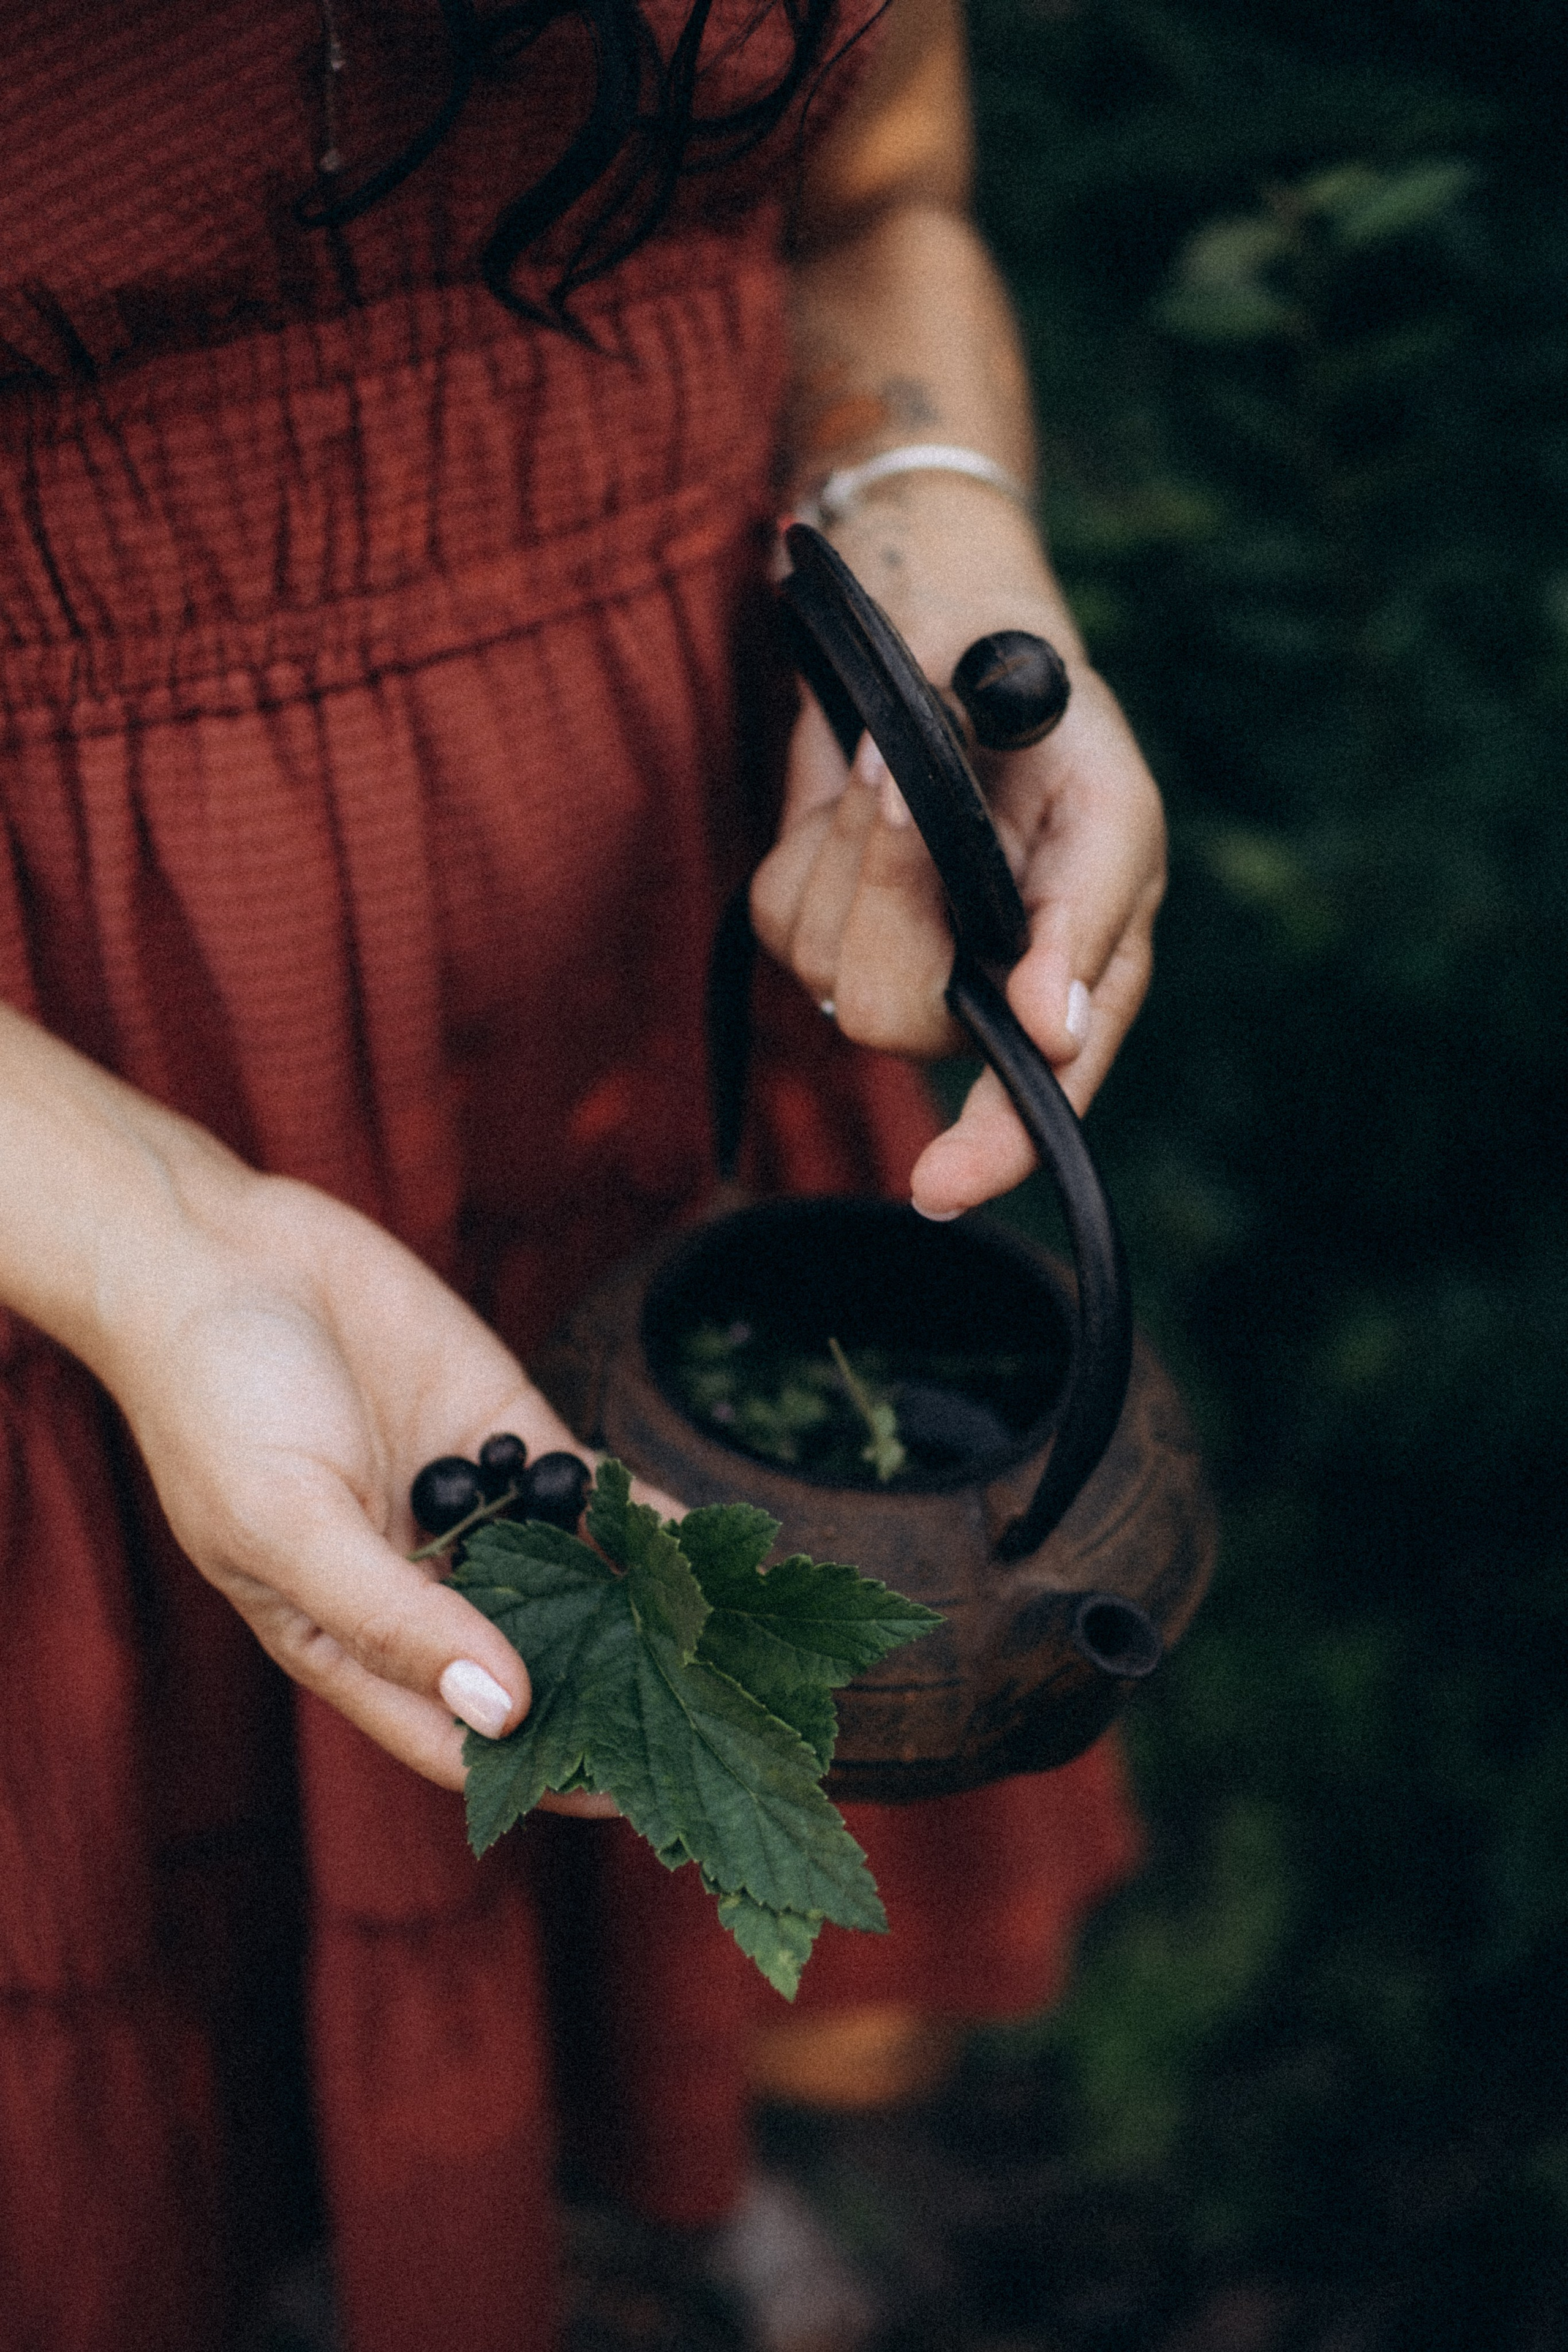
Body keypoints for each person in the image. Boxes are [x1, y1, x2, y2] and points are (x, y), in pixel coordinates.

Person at [0, 0, 1165, 2345]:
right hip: (71, 1072)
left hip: (678, 960)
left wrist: (921, 514)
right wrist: (139, 1235)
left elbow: (873, 191)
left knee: (675, 1723)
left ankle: (638, 2188)